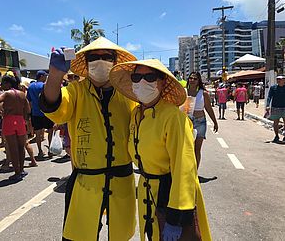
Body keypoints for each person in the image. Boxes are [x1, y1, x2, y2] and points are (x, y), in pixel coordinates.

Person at [39, 37, 137, 241]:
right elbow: (54, 108)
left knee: (120, 235)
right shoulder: (76, 91)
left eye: (107, 57)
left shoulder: (129, 94)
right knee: (79, 235)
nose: (100, 61)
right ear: (86, 62)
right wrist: (55, 75)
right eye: (94, 57)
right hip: (86, 180)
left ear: (115, 61)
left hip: (122, 179)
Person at [109, 59, 212, 241]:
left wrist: (177, 214)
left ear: (162, 81)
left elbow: (185, 166)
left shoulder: (173, 117)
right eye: (136, 77)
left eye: (150, 77)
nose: (142, 82)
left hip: (170, 192)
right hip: (146, 190)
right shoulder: (136, 114)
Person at [0, 73, 30, 181]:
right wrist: (25, 119)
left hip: (9, 120)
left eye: (3, 83)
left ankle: (17, 172)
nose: (1, 85)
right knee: (21, 147)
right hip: (20, 120)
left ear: (8, 83)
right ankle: (21, 170)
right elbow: (28, 109)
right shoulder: (22, 94)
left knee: (12, 148)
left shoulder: (7, 93)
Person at [186, 72, 218, 168]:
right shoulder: (183, 92)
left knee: (197, 149)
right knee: (187, 149)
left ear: (198, 81)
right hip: (187, 122)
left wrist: (215, 122)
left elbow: (208, 108)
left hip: (200, 122)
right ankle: (187, 170)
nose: (192, 80)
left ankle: (195, 171)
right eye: (191, 78)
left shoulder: (203, 93)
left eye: (195, 79)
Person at [27, 70, 54, 158]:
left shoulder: (30, 87)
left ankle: (40, 151)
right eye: (45, 76)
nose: (46, 77)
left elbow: (29, 101)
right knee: (50, 131)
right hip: (46, 112)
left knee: (37, 133)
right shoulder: (44, 86)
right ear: (41, 76)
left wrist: (31, 111)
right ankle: (50, 150)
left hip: (35, 113)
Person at [266, 75, 285, 143]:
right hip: (275, 107)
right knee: (275, 123)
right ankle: (276, 136)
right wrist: (268, 105)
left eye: (280, 79)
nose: (278, 80)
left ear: (284, 80)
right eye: (277, 79)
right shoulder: (273, 88)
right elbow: (269, 97)